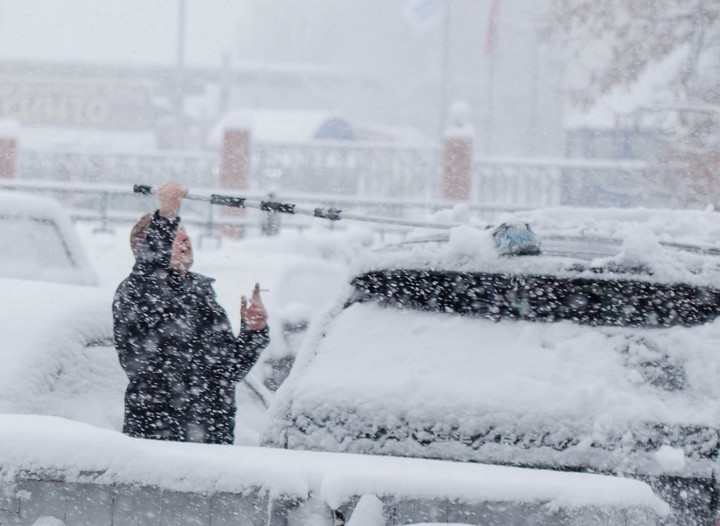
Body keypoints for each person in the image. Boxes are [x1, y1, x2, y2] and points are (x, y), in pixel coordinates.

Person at [113, 181, 269, 444]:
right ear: (149, 249)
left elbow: (227, 371)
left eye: (184, 232)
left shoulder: (201, 294)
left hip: (212, 437)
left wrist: (252, 333)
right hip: (160, 435)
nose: (184, 238)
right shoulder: (137, 290)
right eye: (174, 234)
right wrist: (167, 216)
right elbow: (153, 283)